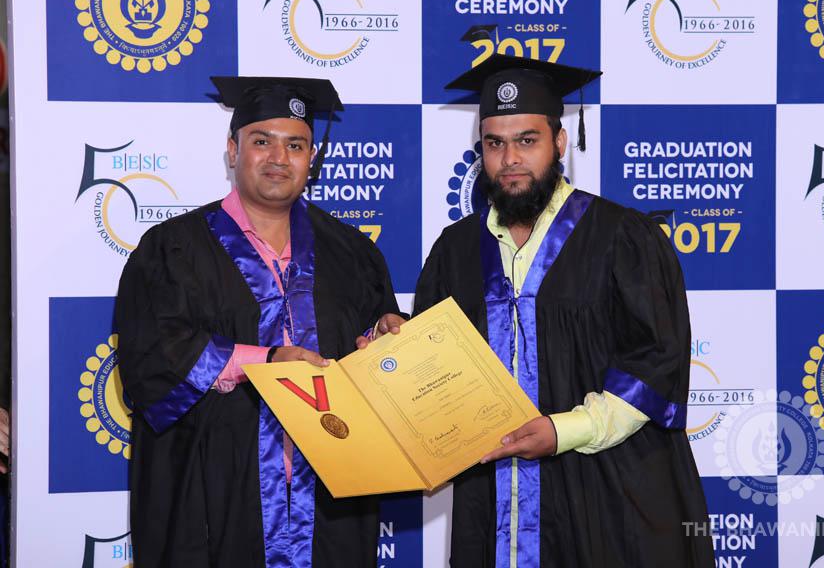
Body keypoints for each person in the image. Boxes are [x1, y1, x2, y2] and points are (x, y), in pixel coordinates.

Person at [410, 55, 715, 567]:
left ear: (559, 142)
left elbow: (658, 361)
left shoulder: (621, 236)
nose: (510, 158)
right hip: (491, 498)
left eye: (527, 140)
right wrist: (397, 345)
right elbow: (433, 372)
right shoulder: (454, 251)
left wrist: (564, 430)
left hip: (606, 493)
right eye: (494, 144)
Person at [115, 76, 401, 567]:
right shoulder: (172, 248)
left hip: (331, 502)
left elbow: (370, 352)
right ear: (233, 150)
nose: (278, 158)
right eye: (262, 141)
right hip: (213, 498)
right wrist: (265, 362)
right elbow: (150, 358)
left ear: (312, 158)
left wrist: (383, 338)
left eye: (296, 145)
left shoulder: (354, 252)